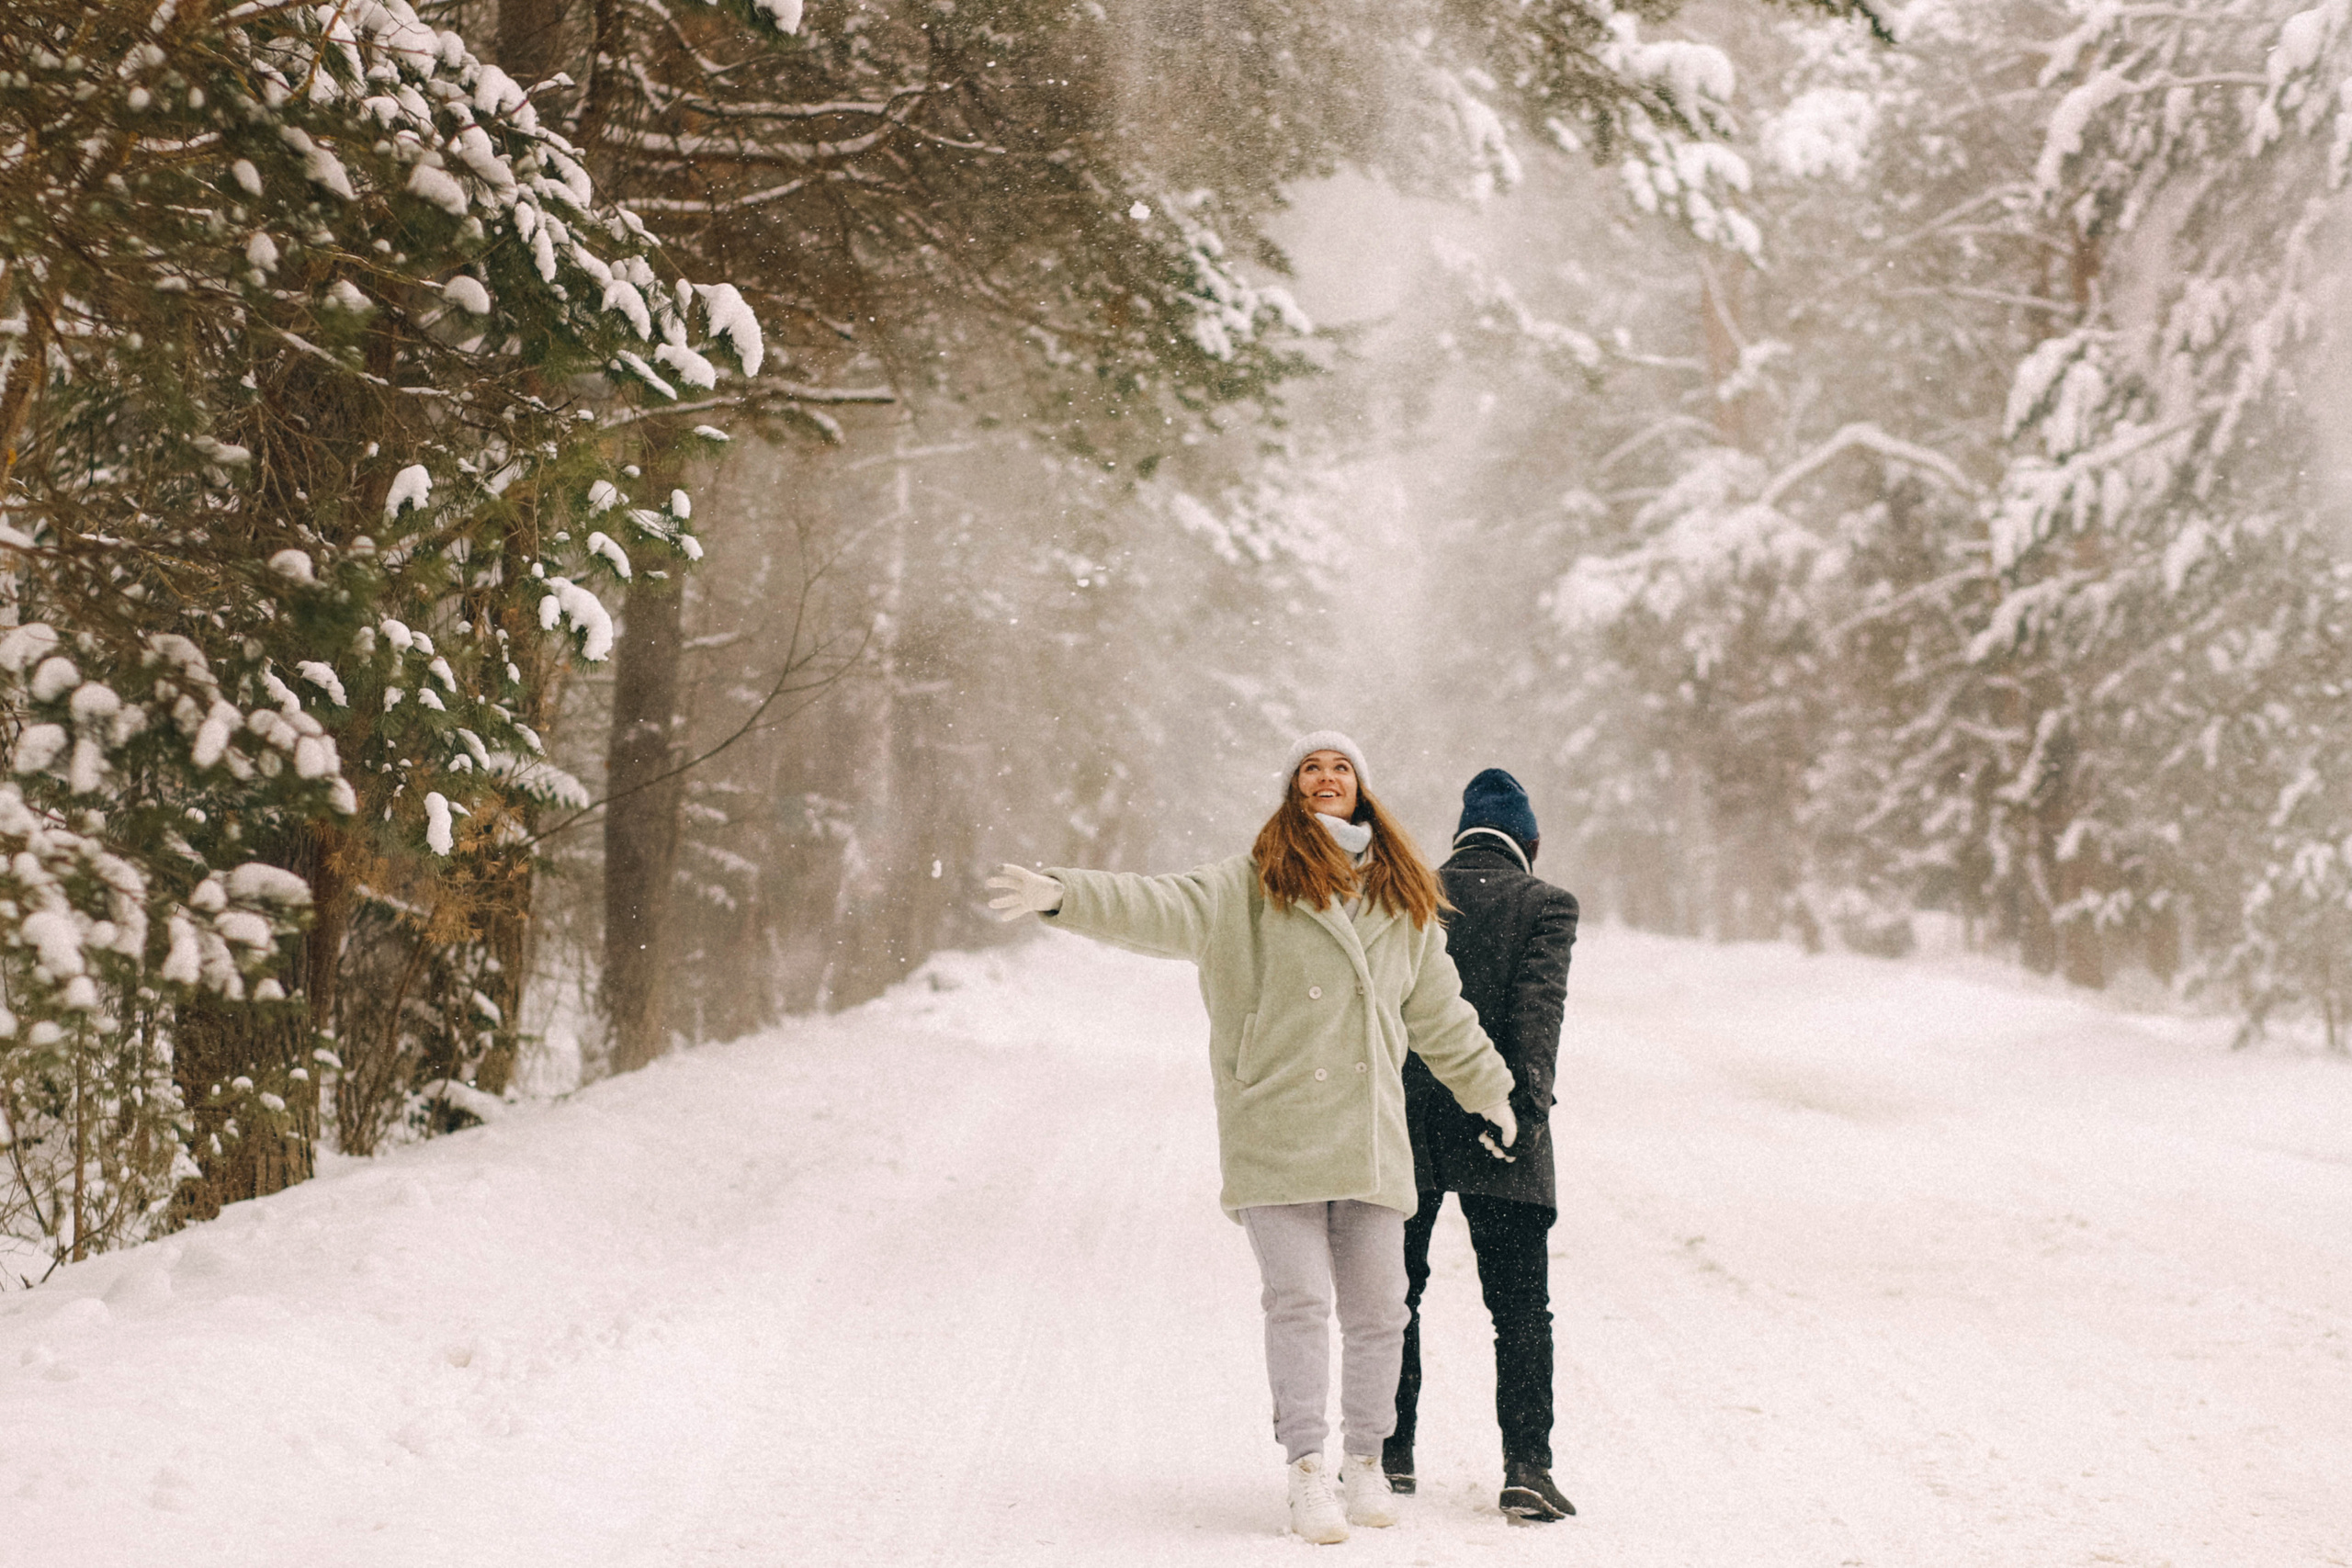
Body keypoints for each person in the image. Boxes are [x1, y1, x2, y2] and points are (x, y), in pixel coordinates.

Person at [986, 731, 1521, 1545]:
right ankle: (1309, 1469)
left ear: (1362, 790)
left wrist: (1491, 1089)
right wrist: (1066, 892)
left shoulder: (1402, 898)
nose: (1326, 776)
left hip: (1371, 1139)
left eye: (1341, 767)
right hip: (1276, 1129)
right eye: (1312, 767)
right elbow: (1156, 904)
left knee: (1382, 1309)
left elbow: (1441, 1014)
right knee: (1300, 1301)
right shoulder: (1249, 885)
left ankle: (1366, 1461)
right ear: (1293, 789)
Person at [1385, 767, 1580, 1523]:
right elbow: (1539, 1017)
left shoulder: (1413, 892)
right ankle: (1527, 1467)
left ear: (1461, 834)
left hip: (1410, 1123)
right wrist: (1520, 1115)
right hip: (1501, 1117)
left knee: (1395, 1297)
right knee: (1522, 1309)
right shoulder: (1546, 903)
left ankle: (1388, 1455)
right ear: (1529, 840)